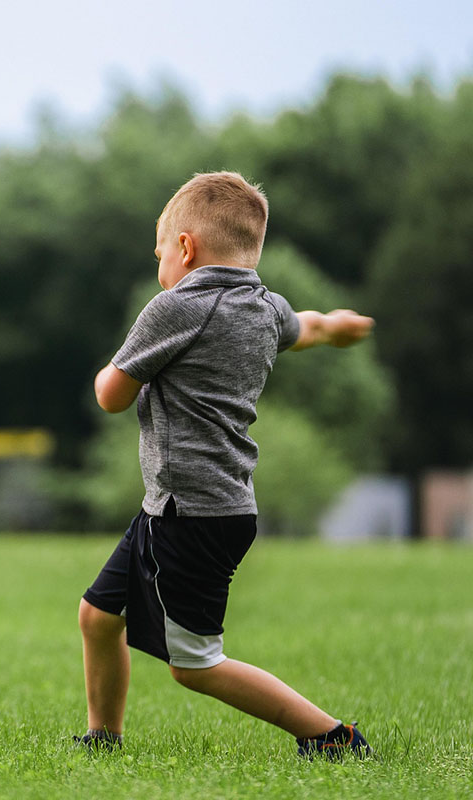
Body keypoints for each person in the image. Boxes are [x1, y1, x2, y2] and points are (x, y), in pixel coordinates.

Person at [78, 171, 375, 759]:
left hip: (189, 513)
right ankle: (102, 737)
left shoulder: (177, 305)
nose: (159, 261)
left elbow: (110, 394)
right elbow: (307, 327)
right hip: (192, 506)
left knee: (195, 664)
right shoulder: (264, 306)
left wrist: (112, 368)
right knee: (98, 616)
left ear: (185, 247)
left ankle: (331, 736)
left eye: (160, 250)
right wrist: (336, 326)